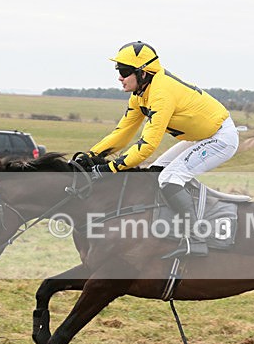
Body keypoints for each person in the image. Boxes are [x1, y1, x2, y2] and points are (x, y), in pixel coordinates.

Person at [87, 41, 239, 258]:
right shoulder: (140, 95)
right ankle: (168, 229)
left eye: (124, 71)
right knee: (155, 174)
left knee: (170, 178)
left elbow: (147, 145)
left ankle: (196, 239)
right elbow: (122, 132)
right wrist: (92, 155)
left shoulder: (160, 93)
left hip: (221, 138)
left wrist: (111, 168)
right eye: (118, 70)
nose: (119, 76)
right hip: (201, 136)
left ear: (143, 73)